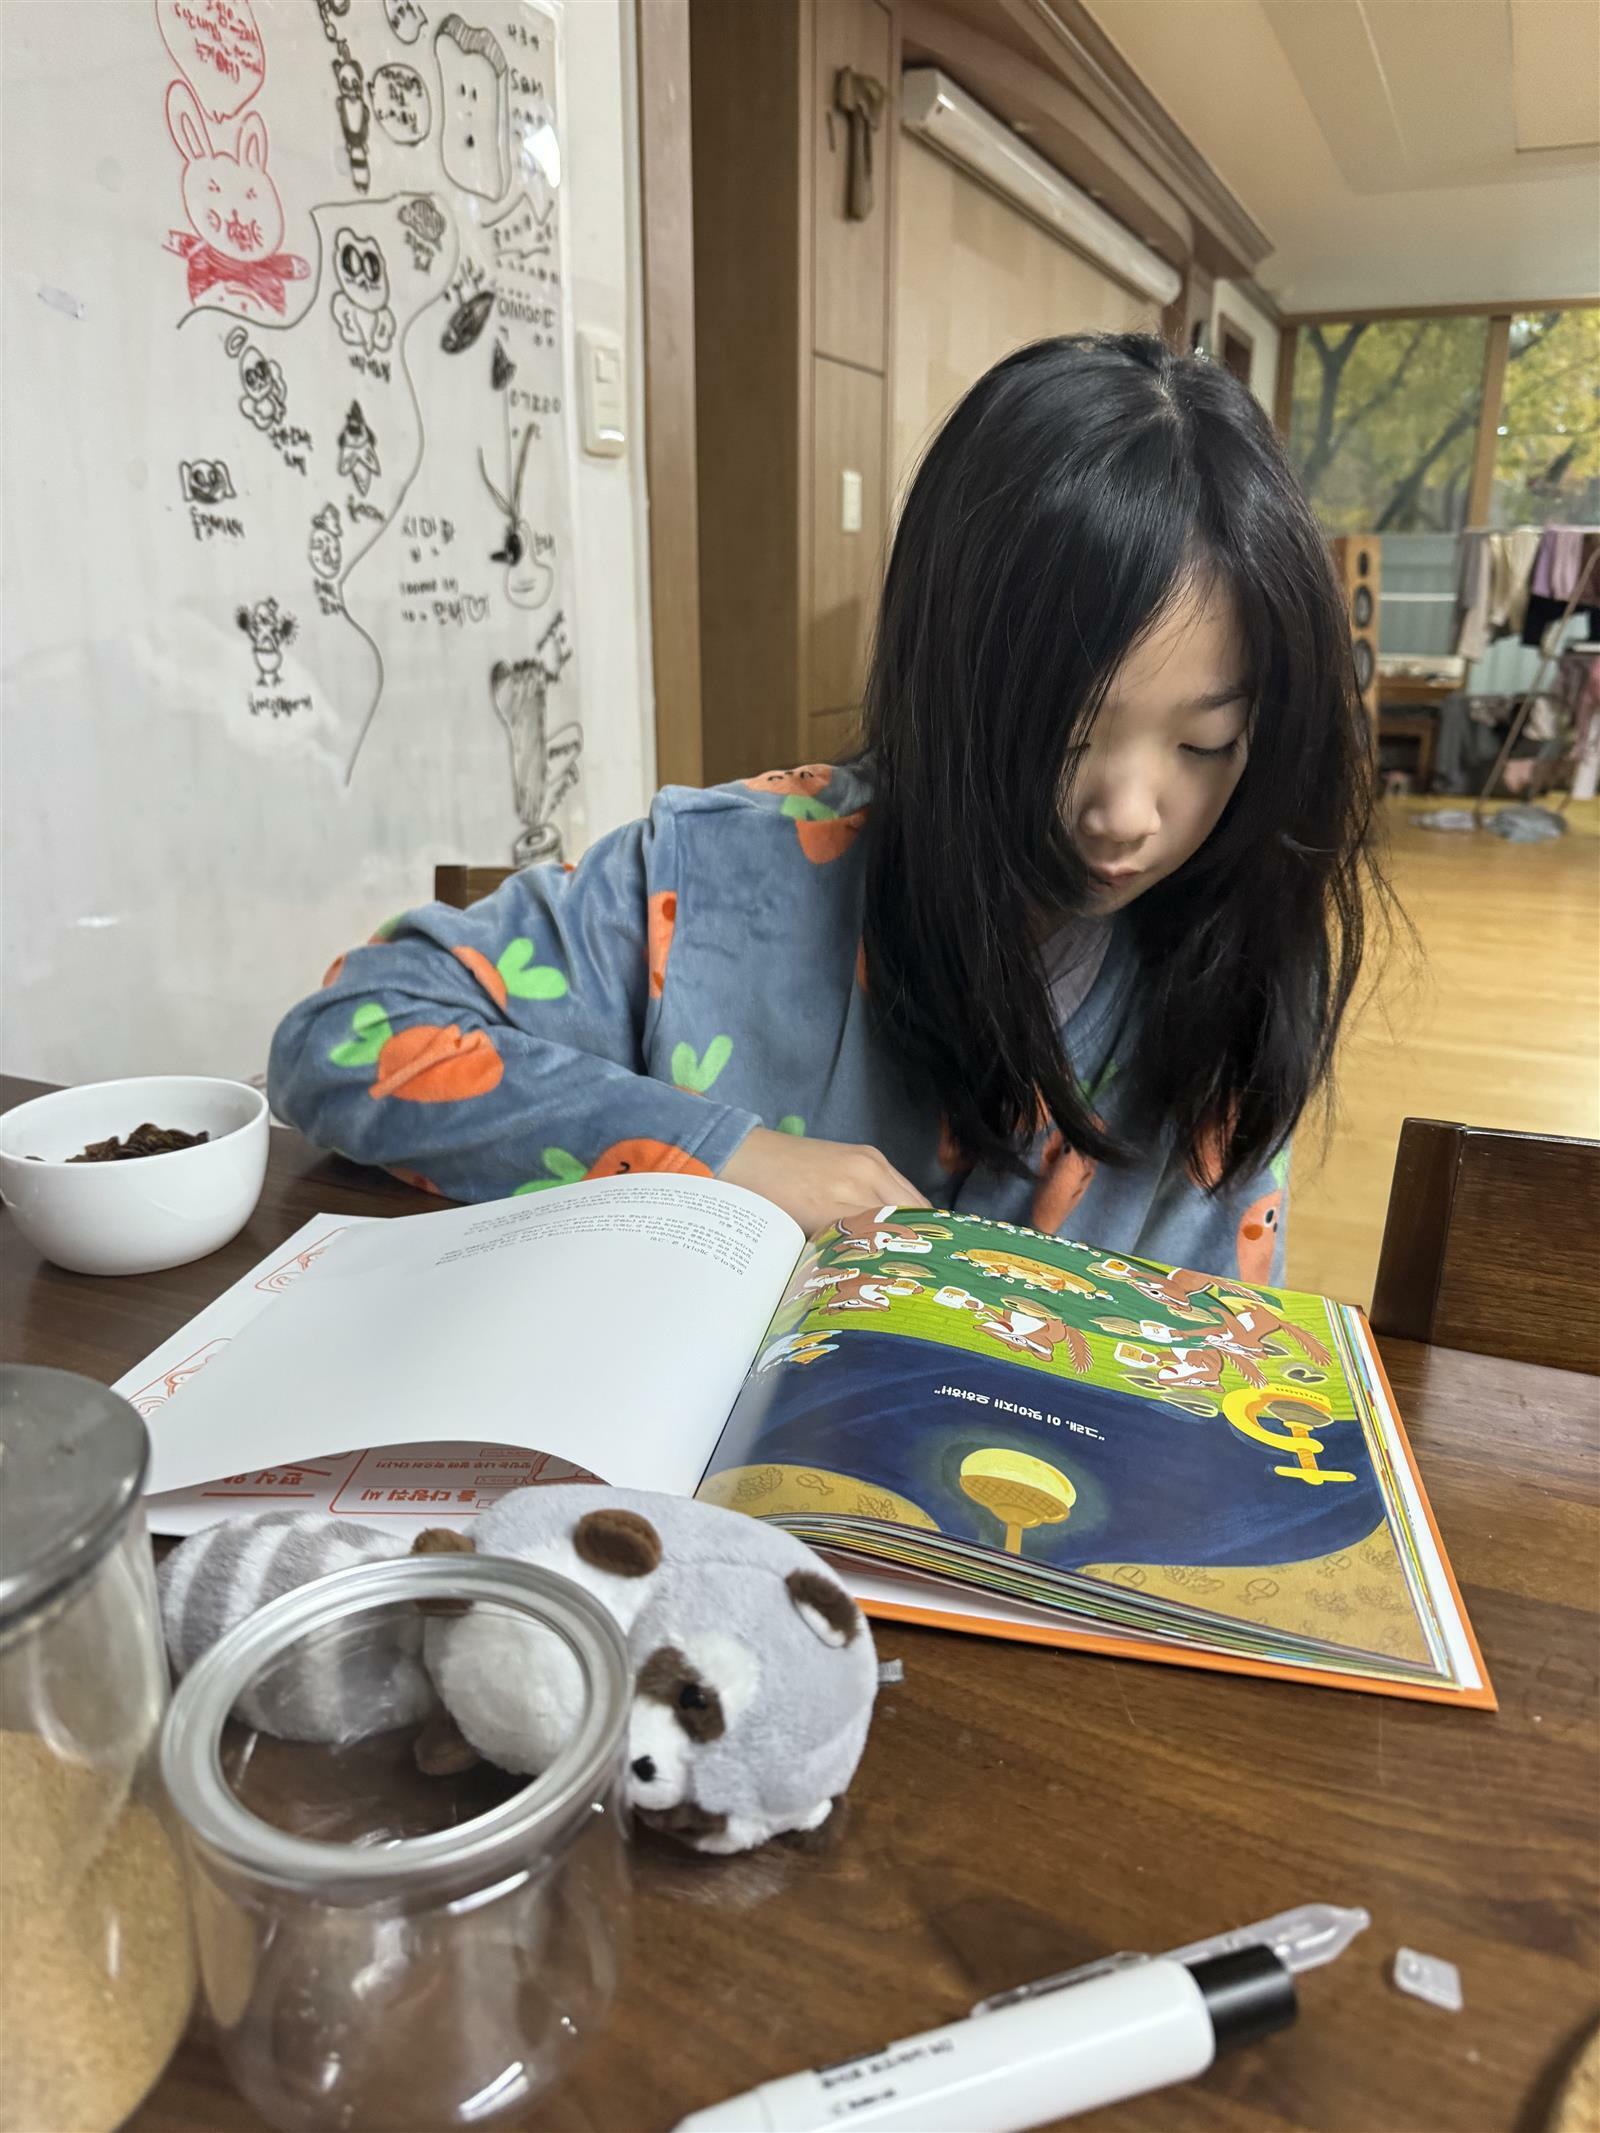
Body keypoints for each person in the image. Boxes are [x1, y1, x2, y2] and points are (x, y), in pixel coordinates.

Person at [268, 335, 1381, 1285]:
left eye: (1204, 744)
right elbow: (346, 1037)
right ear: (946, 679)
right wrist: (722, 1158)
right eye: (1064, 732)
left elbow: (1200, 1368)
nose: (1126, 814)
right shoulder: (716, 881)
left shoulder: (1231, 994)